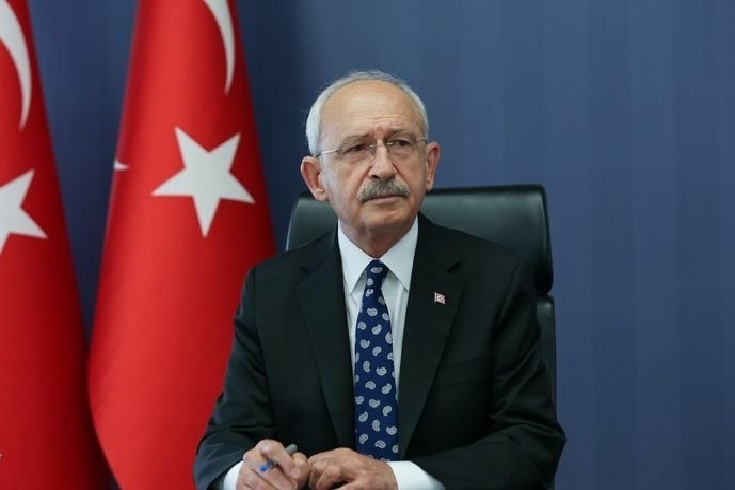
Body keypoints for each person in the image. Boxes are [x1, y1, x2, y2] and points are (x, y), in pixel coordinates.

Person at [194, 70, 565, 490]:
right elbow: (223, 442)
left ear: (429, 165)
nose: (384, 167)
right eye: (357, 148)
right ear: (316, 179)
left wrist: (395, 479)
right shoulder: (271, 292)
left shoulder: (495, 281)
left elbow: (531, 443)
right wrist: (245, 476)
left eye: (401, 144)